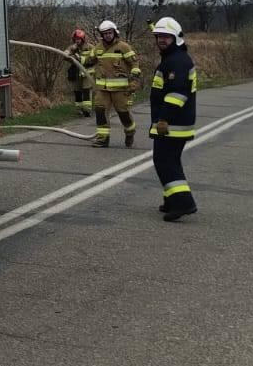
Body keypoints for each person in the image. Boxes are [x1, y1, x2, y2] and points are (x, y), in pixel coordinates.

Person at [149, 16, 198, 221]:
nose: (161, 40)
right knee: (169, 160)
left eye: (166, 36)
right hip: (174, 122)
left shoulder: (177, 61)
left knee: (164, 161)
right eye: (159, 36)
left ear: (176, 38)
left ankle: (184, 203)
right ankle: (171, 199)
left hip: (172, 124)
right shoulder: (173, 58)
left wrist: (163, 120)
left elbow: (177, 94)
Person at [82, 19, 140, 148]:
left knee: (123, 113)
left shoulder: (123, 47)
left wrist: (134, 77)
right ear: (102, 35)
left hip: (121, 89)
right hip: (102, 89)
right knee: (100, 112)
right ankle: (103, 139)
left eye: (110, 33)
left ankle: (130, 132)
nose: (108, 35)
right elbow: (88, 61)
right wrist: (73, 56)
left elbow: (134, 63)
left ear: (115, 32)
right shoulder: (98, 48)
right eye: (105, 33)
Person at [64, 28, 93, 117]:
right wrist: (69, 52)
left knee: (86, 91)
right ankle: (79, 109)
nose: (77, 41)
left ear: (83, 39)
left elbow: (93, 59)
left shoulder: (90, 47)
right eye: (76, 39)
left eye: (79, 39)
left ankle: (87, 110)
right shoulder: (72, 47)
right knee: (77, 91)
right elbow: (64, 55)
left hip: (87, 73)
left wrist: (80, 59)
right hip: (76, 73)